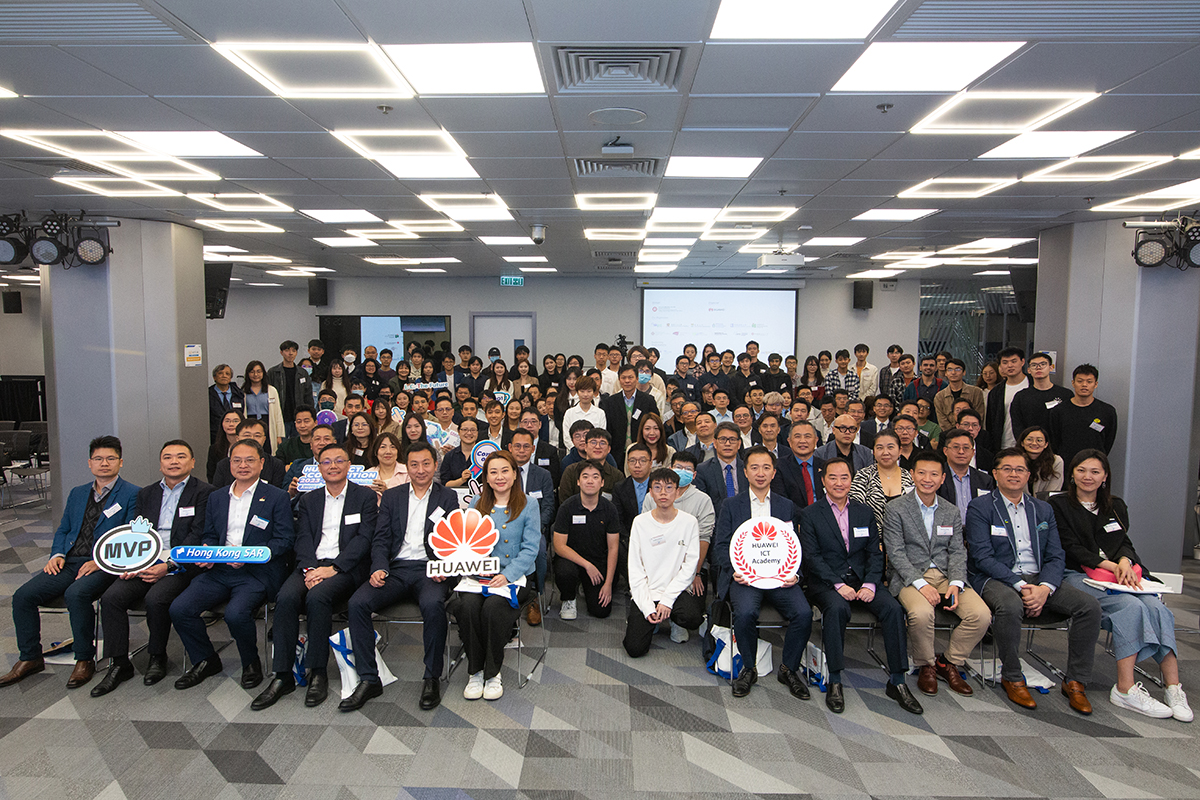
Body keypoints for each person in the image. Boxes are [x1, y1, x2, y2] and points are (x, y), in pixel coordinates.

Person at [1050, 450, 1192, 721]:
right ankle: (1124, 689)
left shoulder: (1115, 505)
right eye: (1081, 470)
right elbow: (1070, 547)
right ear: (1072, 473)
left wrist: (1125, 561)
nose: (1087, 477)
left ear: (1105, 476)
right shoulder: (1058, 505)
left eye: (1095, 471)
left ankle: (1173, 687)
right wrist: (1113, 567)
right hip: (1076, 574)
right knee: (1129, 607)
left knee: (1156, 607)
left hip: (1118, 575)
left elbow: (1124, 542)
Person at [964, 448, 1101, 714]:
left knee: (1089, 606)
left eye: (1020, 470)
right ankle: (1013, 676)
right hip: (996, 577)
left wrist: (1044, 588)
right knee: (1010, 605)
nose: (1013, 474)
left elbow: (1055, 555)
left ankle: (1075, 681)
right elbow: (982, 557)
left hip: (1039, 580)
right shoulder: (980, 507)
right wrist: (1020, 585)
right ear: (995, 473)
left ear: (1028, 475)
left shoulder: (1043, 509)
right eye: (1007, 469)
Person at [1, 436, 140, 689]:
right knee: (23, 596)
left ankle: (84, 658)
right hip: (70, 561)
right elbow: (64, 529)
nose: (104, 463)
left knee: (76, 594)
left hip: (105, 565)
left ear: (121, 462)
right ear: (89, 463)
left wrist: (100, 561)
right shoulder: (77, 493)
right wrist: (57, 554)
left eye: (110, 459)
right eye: (98, 459)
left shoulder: (132, 494)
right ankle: (30, 657)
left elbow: (131, 536)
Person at [252, 442, 377, 711]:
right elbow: (303, 538)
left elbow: (364, 539)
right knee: (285, 598)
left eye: (338, 461)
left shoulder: (364, 497)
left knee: (318, 598)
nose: (332, 466)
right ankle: (282, 674)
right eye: (326, 462)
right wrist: (310, 569)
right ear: (318, 468)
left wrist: (333, 568)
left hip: (345, 568)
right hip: (311, 565)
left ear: (349, 466)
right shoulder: (309, 499)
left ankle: (317, 671)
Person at [341, 441, 460, 712]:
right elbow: (381, 537)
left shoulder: (447, 497)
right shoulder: (393, 496)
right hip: (395, 568)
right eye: (414, 465)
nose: (420, 470)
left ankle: (431, 677)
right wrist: (378, 566)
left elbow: (452, 540)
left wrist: (443, 567)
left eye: (426, 464)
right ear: (407, 467)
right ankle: (369, 678)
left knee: (433, 606)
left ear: (435, 465)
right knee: (357, 604)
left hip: (428, 570)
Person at [799, 458, 922, 714]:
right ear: (823, 481)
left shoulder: (864, 512)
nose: (839, 483)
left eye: (844, 477)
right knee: (837, 610)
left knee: (892, 609)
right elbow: (812, 557)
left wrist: (870, 583)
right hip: (826, 582)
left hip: (863, 580)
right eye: (832, 477)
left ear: (851, 480)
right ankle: (834, 678)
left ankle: (898, 680)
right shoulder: (810, 514)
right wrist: (836, 584)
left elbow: (875, 553)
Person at [91, 441, 214, 696]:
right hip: (146, 560)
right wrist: (132, 562)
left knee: (156, 598)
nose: (174, 461)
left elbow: (198, 534)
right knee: (111, 597)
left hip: (182, 563)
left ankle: (157, 656)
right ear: (160, 463)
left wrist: (169, 565)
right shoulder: (146, 493)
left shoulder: (205, 492)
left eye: (181, 457)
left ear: (192, 462)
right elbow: (137, 533)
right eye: (167, 457)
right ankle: (119, 663)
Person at [170, 439, 294, 691]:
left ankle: (251, 664)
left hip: (255, 572)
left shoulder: (276, 497)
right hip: (219, 569)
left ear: (261, 463)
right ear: (229, 464)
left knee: (235, 614)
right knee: (180, 608)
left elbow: (284, 540)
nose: (243, 465)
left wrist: (252, 554)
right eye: (236, 460)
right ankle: (205, 660)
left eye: (250, 460)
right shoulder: (217, 497)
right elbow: (209, 535)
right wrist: (206, 550)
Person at [882, 450, 989, 698]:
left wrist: (956, 582)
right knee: (921, 613)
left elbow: (958, 551)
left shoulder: (950, 511)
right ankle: (926, 664)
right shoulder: (896, 508)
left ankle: (949, 661)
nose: (927, 479)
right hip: (910, 576)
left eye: (934, 474)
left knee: (981, 615)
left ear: (943, 479)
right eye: (921, 473)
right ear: (912, 475)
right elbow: (895, 553)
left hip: (945, 576)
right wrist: (921, 585)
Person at [712, 447, 813, 700]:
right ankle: (749, 668)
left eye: (766, 467)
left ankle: (788, 668)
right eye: (754, 468)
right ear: (745, 472)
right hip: (745, 579)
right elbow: (721, 545)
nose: (760, 473)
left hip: (781, 578)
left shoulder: (786, 505)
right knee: (745, 613)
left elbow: (796, 545)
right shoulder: (731, 505)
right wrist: (735, 570)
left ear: (774, 472)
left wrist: (795, 574)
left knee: (803, 613)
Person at [451, 451, 541, 701]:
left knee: (492, 608)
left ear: (514, 474)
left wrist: (508, 575)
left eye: (505, 471)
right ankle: (475, 671)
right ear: (486, 478)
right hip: (479, 575)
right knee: (467, 606)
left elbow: (530, 548)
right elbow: (466, 544)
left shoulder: (528, 504)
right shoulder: (476, 503)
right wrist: (475, 567)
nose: (500, 477)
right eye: (493, 472)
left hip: (514, 577)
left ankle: (492, 673)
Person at [622, 468, 702, 658]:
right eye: (657, 487)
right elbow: (635, 569)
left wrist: (667, 600)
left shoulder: (689, 522)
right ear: (650, 492)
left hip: (676, 591)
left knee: (692, 618)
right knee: (634, 649)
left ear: (677, 491)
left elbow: (689, 566)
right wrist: (648, 606)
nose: (663, 493)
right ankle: (652, 618)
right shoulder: (640, 522)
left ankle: (673, 618)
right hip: (647, 591)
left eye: (669, 487)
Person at [553, 460, 621, 620]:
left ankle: (587, 586)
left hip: (598, 560)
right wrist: (586, 565)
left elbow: (613, 548)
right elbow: (559, 546)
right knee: (565, 572)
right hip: (572, 560)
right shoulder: (567, 507)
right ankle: (569, 598)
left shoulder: (610, 509)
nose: (590, 481)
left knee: (601, 611)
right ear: (578, 481)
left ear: (602, 482)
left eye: (595, 477)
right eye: (585, 476)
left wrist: (608, 584)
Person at [1047, 363, 1118, 467]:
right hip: (1066, 465)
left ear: (1096, 384)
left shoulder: (1107, 411)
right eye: (1080, 381)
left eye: (1089, 382)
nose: (1084, 385)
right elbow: (1054, 440)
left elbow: (1108, 441)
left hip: (1095, 464)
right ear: (1073, 383)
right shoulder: (1059, 411)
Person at [848, 430, 914, 531]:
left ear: (900, 450)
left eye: (890, 447)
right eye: (880, 448)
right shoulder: (863, 476)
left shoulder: (909, 478)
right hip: (870, 539)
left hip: (905, 540)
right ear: (874, 452)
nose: (885, 452)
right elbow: (856, 511)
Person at [601, 364, 659, 470]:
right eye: (623, 378)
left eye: (630, 377)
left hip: (641, 452)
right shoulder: (610, 402)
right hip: (616, 453)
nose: (627, 381)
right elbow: (607, 429)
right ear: (619, 380)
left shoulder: (648, 400)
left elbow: (656, 425)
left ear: (637, 379)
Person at [937, 428, 994, 523]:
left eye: (966, 448)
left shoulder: (985, 480)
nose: (961, 452)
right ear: (945, 451)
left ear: (973, 452)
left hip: (977, 531)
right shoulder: (936, 477)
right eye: (956, 447)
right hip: (945, 530)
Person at [1009, 352, 1074, 435]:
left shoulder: (1065, 394)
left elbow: (1069, 424)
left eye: (1043, 364)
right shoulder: (1021, 397)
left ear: (1051, 367)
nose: (1038, 368)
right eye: (1034, 365)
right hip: (1030, 444)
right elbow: (1017, 426)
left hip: (1057, 445)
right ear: (1029, 370)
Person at [214, 419, 287, 489]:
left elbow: (278, 494)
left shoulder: (276, 464)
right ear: (237, 438)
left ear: (264, 439)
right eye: (247, 435)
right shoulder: (223, 465)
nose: (252, 439)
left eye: (257, 436)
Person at [694, 421, 748, 516]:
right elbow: (702, 505)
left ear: (739, 444)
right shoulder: (703, 470)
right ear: (715, 443)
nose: (727, 444)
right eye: (723, 439)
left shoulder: (748, 469)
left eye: (732, 439)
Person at [557, 429, 624, 502]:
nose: (598, 446)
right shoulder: (571, 471)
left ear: (609, 449)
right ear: (585, 447)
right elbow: (564, 502)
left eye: (602, 443)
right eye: (593, 442)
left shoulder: (617, 476)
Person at [984, 347, 1028, 451]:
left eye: (1014, 361)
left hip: (1030, 445)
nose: (1010, 365)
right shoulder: (996, 392)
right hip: (1004, 444)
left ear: (1022, 362)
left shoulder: (1033, 385)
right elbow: (991, 423)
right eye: (1005, 362)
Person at [773, 421, 825, 510]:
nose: (802, 441)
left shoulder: (825, 466)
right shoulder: (779, 466)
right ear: (789, 441)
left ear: (816, 440)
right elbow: (781, 500)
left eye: (807, 436)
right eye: (797, 436)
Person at [266, 340, 312, 436]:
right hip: (281, 416)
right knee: (283, 444)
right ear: (281, 352)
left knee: (299, 444)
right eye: (287, 350)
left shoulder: (302, 373)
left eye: (293, 350)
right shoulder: (273, 372)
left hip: (299, 417)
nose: (290, 353)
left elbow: (308, 395)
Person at [242, 359, 285, 451]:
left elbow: (278, 414)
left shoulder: (271, 390)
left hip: (268, 423)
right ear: (248, 374)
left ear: (263, 373)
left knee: (268, 450)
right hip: (250, 423)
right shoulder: (243, 391)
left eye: (258, 371)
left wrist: (279, 435)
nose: (256, 375)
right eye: (252, 372)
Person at [933, 357, 986, 431]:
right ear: (946, 373)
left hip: (972, 433)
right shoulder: (940, 396)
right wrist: (956, 434)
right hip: (950, 435)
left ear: (964, 372)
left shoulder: (976, 392)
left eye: (958, 369)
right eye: (950, 370)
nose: (953, 372)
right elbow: (942, 421)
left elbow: (979, 416)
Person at [1019, 426, 1063, 494]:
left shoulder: (1056, 461)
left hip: (1045, 502)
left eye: (1039, 440)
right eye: (1029, 439)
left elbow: (1053, 491)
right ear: (1022, 443)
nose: (1034, 443)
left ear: (1046, 444)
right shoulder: (1013, 460)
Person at [208, 363, 245, 444]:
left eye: (227, 374)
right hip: (215, 435)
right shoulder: (208, 394)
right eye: (220, 373)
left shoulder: (238, 394)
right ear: (214, 377)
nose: (224, 376)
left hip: (236, 434)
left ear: (230, 378)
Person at [440, 416, 478, 488]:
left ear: (477, 432)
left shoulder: (484, 455)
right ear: (458, 432)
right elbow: (445, 484)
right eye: (465, 429)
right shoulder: (450, 456)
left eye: (473, 430)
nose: (469, 433)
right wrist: (462, 480)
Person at [208, 409, 243, 482]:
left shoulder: (249, 447)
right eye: (227, 421)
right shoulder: (214, 449)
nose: (231, 424)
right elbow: (211, 475)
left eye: (235, 421)